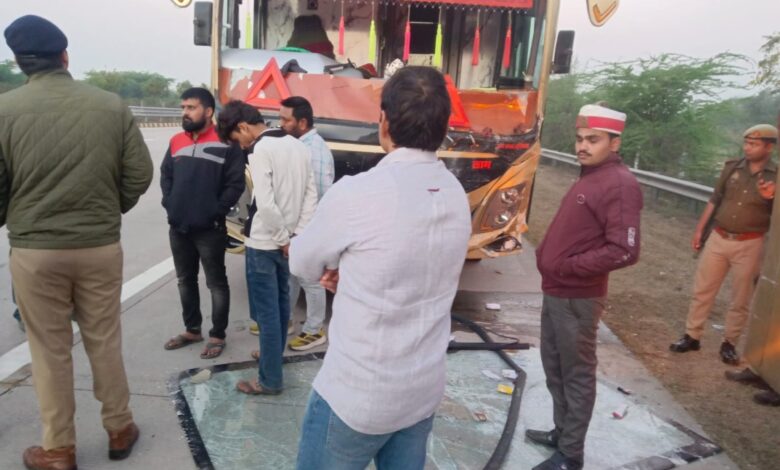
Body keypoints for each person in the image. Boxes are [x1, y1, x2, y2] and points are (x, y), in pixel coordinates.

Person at [290, 66, 471, 469]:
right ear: (443, 127)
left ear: (384, 121)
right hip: (421, 392)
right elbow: (422, 267)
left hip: (357, 397)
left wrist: (345, 267)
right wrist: (358, 272)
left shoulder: (359, 192)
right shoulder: (455, 194)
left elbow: (303, 261)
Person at [0, 15, 153, 470]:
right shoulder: (110, 106)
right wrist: (107, 211)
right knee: (103, 339)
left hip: (35, 251)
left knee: (49, 350)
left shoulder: (4, 110)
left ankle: (59, 449)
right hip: (99, 247)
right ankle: (119, 428)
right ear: (65, 56)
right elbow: (139, 174)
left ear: (19, 62)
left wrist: (17, 218)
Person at [529, 104, 642, 470]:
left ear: (615, 142)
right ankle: (562, 434)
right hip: (558, 292)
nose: (582, 146)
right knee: (555, 367)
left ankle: (570, 455)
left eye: (593, 140)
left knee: (576, 374)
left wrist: (568, 267)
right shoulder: (592, 176)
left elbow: (625, 250)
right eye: (579, 139)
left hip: (577, 298)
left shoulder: (619, 184)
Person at [217, 101, 317, 395]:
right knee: (282, 306)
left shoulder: (260, 149)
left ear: (243, 127)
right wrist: (296, 236)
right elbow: (311, 195)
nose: (241, 145)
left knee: (267, 314)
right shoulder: (299, 145)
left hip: (264, 242)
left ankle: (269, 380)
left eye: (237, 139)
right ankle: (273, 356)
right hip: (289, 242)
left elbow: (265, 202)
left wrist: (283, 238)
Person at [670, 124, 777, 364]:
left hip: (750, 243)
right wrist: (700, 230)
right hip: (718, 237)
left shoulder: (775, 176)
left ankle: (729, 343)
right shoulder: (731, 168)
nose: (747, 148)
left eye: (754, 144)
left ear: (768, 147)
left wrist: (771, 197)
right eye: (746, 143)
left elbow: (776, 216)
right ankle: (692, 336)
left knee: (741, 298)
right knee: (703, 290)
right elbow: (715, 199)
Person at [161, 88, 245, 360]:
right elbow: (166, 175)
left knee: (216, 283)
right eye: (183, 107)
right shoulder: (176, 141)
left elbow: (235, 184)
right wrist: (170, 203)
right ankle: (192, 330)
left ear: (208, 112)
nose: (185, 112)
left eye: (191, 107)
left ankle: (217, 335)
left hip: (210, 229)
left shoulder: (227, 143)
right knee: (185, 280)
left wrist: (215, 211)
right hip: (179, 227)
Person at [279, 96, 334, 351]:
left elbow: (319, 196)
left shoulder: (313, 151)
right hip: (298, 228)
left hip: (308, 228)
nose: (281, 124)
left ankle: (314, 330)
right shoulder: (301, 146)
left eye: (285, 120)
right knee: (292, 276)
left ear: (302, 122)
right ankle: (287, 320)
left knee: (310, 280)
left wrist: (302, 234)